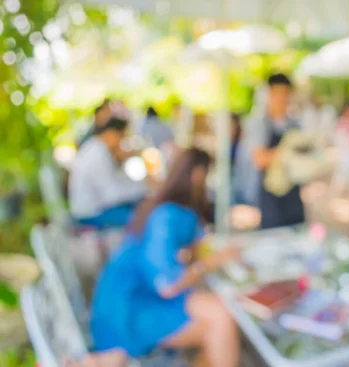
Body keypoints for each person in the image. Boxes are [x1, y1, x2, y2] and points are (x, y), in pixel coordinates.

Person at [81, 148, 240, 367]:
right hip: (127, 310)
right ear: (197, 174)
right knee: (221, 322)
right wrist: (213, 261)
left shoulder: (164, 206)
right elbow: (168, 284)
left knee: (219, 320)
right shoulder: (167, 215)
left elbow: (186, 249)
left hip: (138, 295)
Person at [246, 73, 305, 229]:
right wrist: (286, 153)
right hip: (270, 195)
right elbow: (259, 159)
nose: (282, 99)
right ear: (269, 94)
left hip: (293, 193)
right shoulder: (260, 123)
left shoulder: (295, 124)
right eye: (278, 94)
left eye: (286, 94)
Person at [69, 117, 146, 230]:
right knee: (142, 218)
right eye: (122, 137)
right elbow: (112, 195)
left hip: (98, 208)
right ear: (112, 134)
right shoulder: (97, 153)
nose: (121, 144)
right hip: (90, 215)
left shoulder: (97, 148)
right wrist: (143, 192)